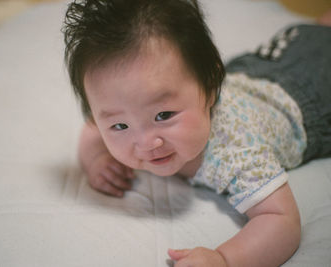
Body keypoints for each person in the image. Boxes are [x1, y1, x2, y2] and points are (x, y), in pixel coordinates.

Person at [63, 0, 331, 266]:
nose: (146, 143)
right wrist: (97, 160)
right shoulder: (128, 102)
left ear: (212, 89)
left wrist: (224, 259)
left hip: (313, 91)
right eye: (120, 126)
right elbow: (91, 128)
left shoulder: (235, 149)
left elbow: (281, 219)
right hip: (253, 72)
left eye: (163, 115)